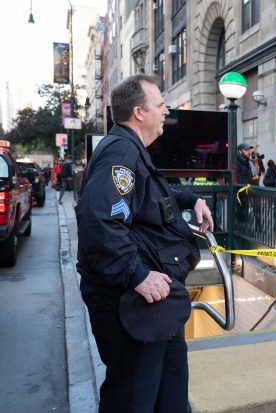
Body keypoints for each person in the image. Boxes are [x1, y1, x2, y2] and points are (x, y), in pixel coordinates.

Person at [75, 74, 214, 413]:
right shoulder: (121, 151)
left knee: (168, 390)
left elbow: (150, 197)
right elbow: (99, 220)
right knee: (132, 398)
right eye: (160, 104)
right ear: (139, 112)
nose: (166, 111)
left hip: (151, 302)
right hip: (129, 300)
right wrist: (138, 274)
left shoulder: (131, 150)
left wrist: (189, 200)